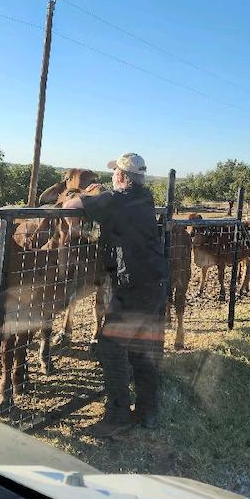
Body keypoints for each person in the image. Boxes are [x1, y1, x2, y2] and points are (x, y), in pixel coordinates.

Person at [63, 153, 168, 438]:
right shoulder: (145, 199)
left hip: (133, 286)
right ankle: (148, 413)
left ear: (122, 176)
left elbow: (72, 203)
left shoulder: (116, 199)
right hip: (156, 283)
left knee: (110, 346)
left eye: (114, 174)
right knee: (144, 349)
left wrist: (86, 199)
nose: (112, 177)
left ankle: (118, 416)